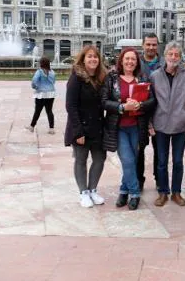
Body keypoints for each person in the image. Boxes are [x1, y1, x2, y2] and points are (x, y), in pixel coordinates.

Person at [102, 47, 156, 211]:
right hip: (119, 127)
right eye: (127, 59)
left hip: (137, 127)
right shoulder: (112, 78)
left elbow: (152, 101)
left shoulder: (142, 78)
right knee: (127, 159)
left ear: (137, 62)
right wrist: (122, 107)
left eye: (133, 59)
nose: (130, 62)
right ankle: (134, 193)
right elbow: (104, 101)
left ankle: (123, 190)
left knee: (132, 160)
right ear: (121, 60)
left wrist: (141, 104)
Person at [150, 42, 185, 207]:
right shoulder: (155, 76)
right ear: (165, 56)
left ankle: (176, 192)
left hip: (180, 126)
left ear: (180, 57)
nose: (173, 58)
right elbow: (150, 101)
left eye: (176, 55)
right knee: (162, 161)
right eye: (170, 54)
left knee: (178, 161)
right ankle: (163, 192)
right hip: (160, 125)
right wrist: (151, 122)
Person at [64, 45, 107, 208]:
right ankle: (83, 193)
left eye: (95, 57)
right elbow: (71, 106)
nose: (93, 59)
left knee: (99, 159)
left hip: (97, 127)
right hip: (80, 127)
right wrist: (78, 131)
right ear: (83, 59)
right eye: (89, 56)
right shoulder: (76, 77)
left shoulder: (102, 77)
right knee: (81, 160)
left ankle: (93, 190)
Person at [137, 33, 161, 191]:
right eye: (148, 44)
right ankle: (139, 180)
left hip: (160, 113)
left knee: (160, 150)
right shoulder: (135, 63)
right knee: (139, 149)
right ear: (143, 45)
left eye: (154, 44)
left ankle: (160, 180)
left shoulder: (165, 63)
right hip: (140, 114)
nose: (151, 47)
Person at [26, 56, 56, 134]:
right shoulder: (52, 72)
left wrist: (36, 87)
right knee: (49, 111)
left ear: (41, 63)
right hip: (51, 93)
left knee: (37, 111)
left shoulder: (39, 72)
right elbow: (54, 81)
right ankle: (51, 129)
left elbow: (34, 81)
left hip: (41, 94)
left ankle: (32, 127)